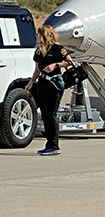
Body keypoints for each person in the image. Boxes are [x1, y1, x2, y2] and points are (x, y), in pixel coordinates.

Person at [24, 25, 73, 156]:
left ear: (44, 36)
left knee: (51, 114)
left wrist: (56, 65)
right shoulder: (39, 51)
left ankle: (54, 145)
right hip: (43, 84)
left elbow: (69, 62)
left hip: (54, 85)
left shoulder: (58, 49)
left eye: (38, 35)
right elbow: (37, 70)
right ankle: (49, 143)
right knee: (45, 114)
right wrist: (30, 83)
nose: (36, 37)